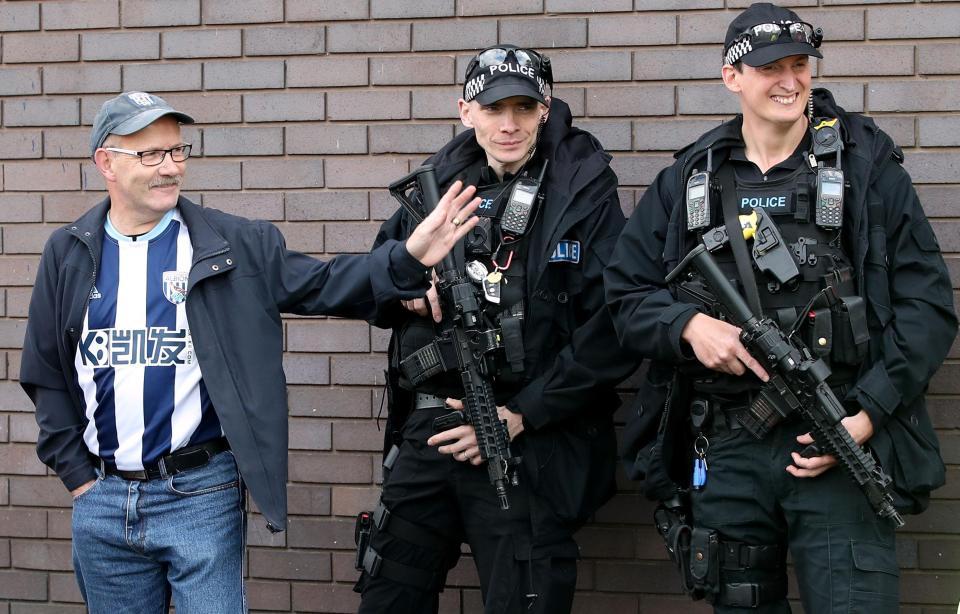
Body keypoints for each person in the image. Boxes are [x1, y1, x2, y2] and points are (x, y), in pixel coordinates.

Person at [19, 91, 481, 614]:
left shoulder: (232, 244)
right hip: (102, 500)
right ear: (106, 162)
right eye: (150, 154)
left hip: (199, 494)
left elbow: (325, 283)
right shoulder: (68, 252)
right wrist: (79, 478)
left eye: (176, 151)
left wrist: (408, 258)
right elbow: (47, 371)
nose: (170, 167)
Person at [605, 4, 957, 612]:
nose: (790, 80)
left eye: (800, 65)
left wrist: (868, 415)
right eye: (770, 67)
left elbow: (927, 306)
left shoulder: (865, 168)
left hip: (839, 434)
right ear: (731, 76)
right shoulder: (691, 179)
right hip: (728, 443)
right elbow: (626, 294)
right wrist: (687, 325)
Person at [353, 45, 637, 613]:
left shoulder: (582, 191)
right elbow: (376, 282)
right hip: (432, 428)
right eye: (493, 108)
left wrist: (518, 416)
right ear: (466, 111)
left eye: (523, 108)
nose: (508, 124)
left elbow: (612, 328)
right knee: (389, 593)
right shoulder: (436, 189)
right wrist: (413, 291)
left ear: (544, 109)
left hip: (525, 438)